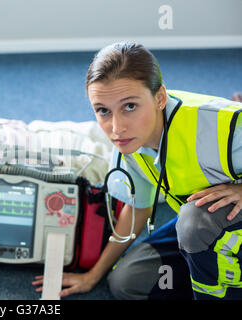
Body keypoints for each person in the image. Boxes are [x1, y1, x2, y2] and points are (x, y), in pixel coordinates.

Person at [33, 42, 242, 300]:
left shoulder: (224, 124)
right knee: (127, 281)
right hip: (208, 228)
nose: (117, 127)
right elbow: (138, 209)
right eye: (103, 111)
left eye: (129, 106)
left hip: (205, 223)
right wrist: (94, 275)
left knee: (194, 223)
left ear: (160, 98)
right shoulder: (129, 142)